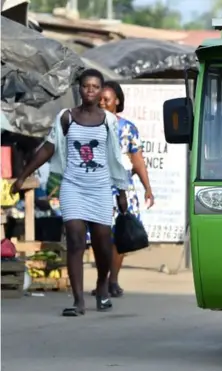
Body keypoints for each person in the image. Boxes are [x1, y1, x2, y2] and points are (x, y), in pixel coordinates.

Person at [10, 69, 129, 316]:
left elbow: (115, 157)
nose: (90, 91)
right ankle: (78, 301)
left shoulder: (109, 120)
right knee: (75, 239)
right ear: (79, 89)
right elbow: (49, 148)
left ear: (100, 90)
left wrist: (121, 189)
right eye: (86, 86)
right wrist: (22, 176)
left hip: (100, 188)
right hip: (73, 186)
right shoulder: (66, 117)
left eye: (95, 87)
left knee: (103, 244)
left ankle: (101, 285)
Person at [88, 81, 154, 298]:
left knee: (120, 236)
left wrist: (147, 188)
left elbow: (138, 160)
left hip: (122, 191)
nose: (103, 103)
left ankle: (112, 280)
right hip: (96, 189)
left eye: (107, 99)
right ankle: (101, 280)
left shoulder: (128, 128)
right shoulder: (88, 125)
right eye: (100, 100)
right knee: (100, 237)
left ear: (117, 101)